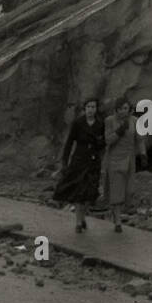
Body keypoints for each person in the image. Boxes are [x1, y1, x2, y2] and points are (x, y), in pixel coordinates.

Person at [53, 97, 107, 232]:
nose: (91, 110)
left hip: (93, 161)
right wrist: (64, 161)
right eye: (88, 107)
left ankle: (83, 217)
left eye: (93, 107)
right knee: (78, 192)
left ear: (96, 109)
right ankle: (78, 222)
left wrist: (99, 142)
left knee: (90, 193)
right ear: (84, 108)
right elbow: (70, 142)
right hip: (79, 159)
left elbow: (103, 144)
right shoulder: (78, 123)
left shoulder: (100, 124)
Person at [102, 97, 145, 233]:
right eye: (120, 109)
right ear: (116, 109)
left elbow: (140, 140)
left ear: (129, 109)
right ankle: (118, 220)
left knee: (129, 190)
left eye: (125, 108)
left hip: (129, 159)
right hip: (114, 159)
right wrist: (119, 131)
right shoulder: (110, 121)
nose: (123, 111)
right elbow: (108, 140)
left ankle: (118, 213)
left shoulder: (135, 121)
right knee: (116, 189)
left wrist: (143, 154)